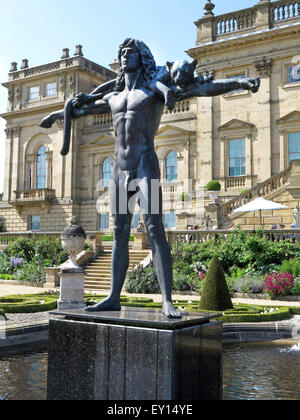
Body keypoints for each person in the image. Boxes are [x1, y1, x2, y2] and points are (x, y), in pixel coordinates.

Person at [39, 38, 260, 318]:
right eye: (121, 53)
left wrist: (241, 83)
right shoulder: (113, 97)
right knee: (118, 233)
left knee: (155, 229)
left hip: (145, 164)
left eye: (129, 53)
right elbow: (80, 109)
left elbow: (204, 88)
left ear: (141, 57)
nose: (123, 57)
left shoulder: (154, 91)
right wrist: (53, 114)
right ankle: (113, 297)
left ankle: (167, 299)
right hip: (120, 170)